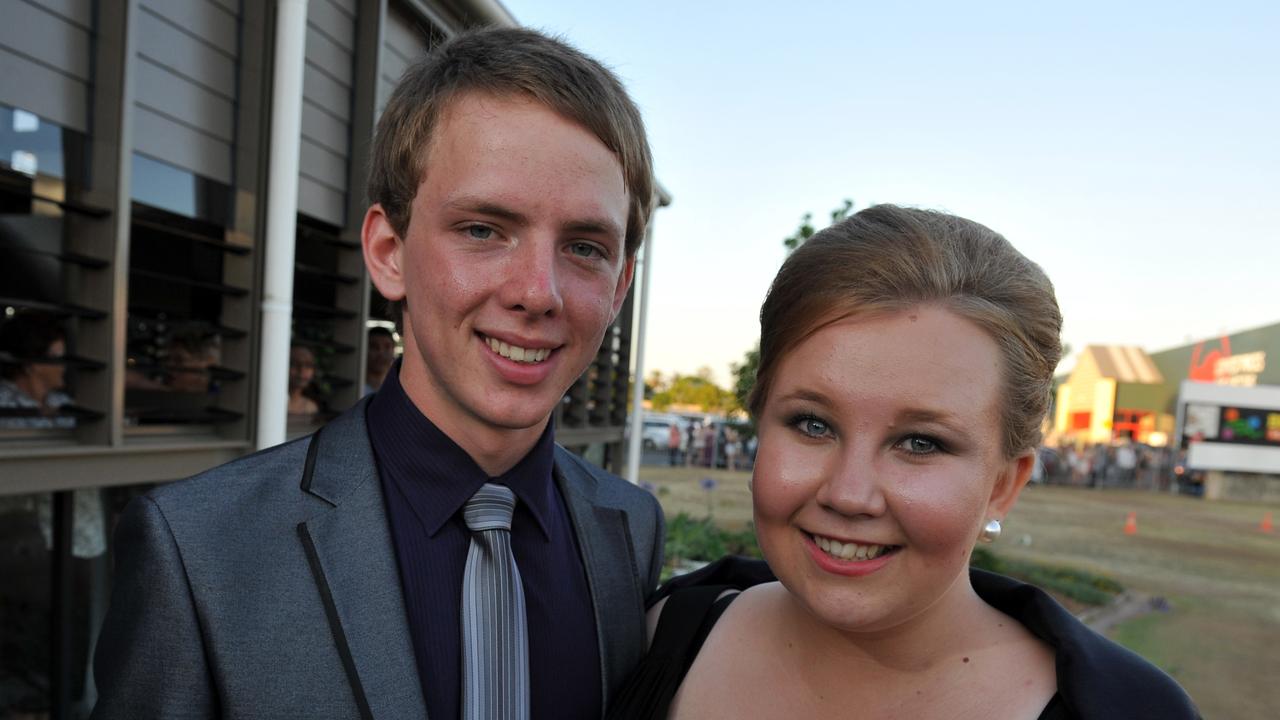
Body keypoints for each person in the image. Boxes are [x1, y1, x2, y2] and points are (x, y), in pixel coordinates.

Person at [92, 27, 665, 719]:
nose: (537, 291)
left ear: (620, 286)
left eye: (584, 246)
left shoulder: (629, 530)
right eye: (484, 229)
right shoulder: (197, 547)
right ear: (389, 251)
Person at [609, 205, 1198, 719]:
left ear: (1003, 483)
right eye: (812, 425)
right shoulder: (656, 637)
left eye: (921, 443)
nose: (849, 493)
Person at [287, 343, 321, 416]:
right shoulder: (272, 403)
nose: (302, 370)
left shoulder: (310, 408)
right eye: (294, 364)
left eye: (308, 365)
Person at [363, 325, 396, 395]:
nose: (381, 352)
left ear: (393, 350)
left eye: (387, 347)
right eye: (374, 346)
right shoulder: (354, 390)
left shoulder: (400, 390)